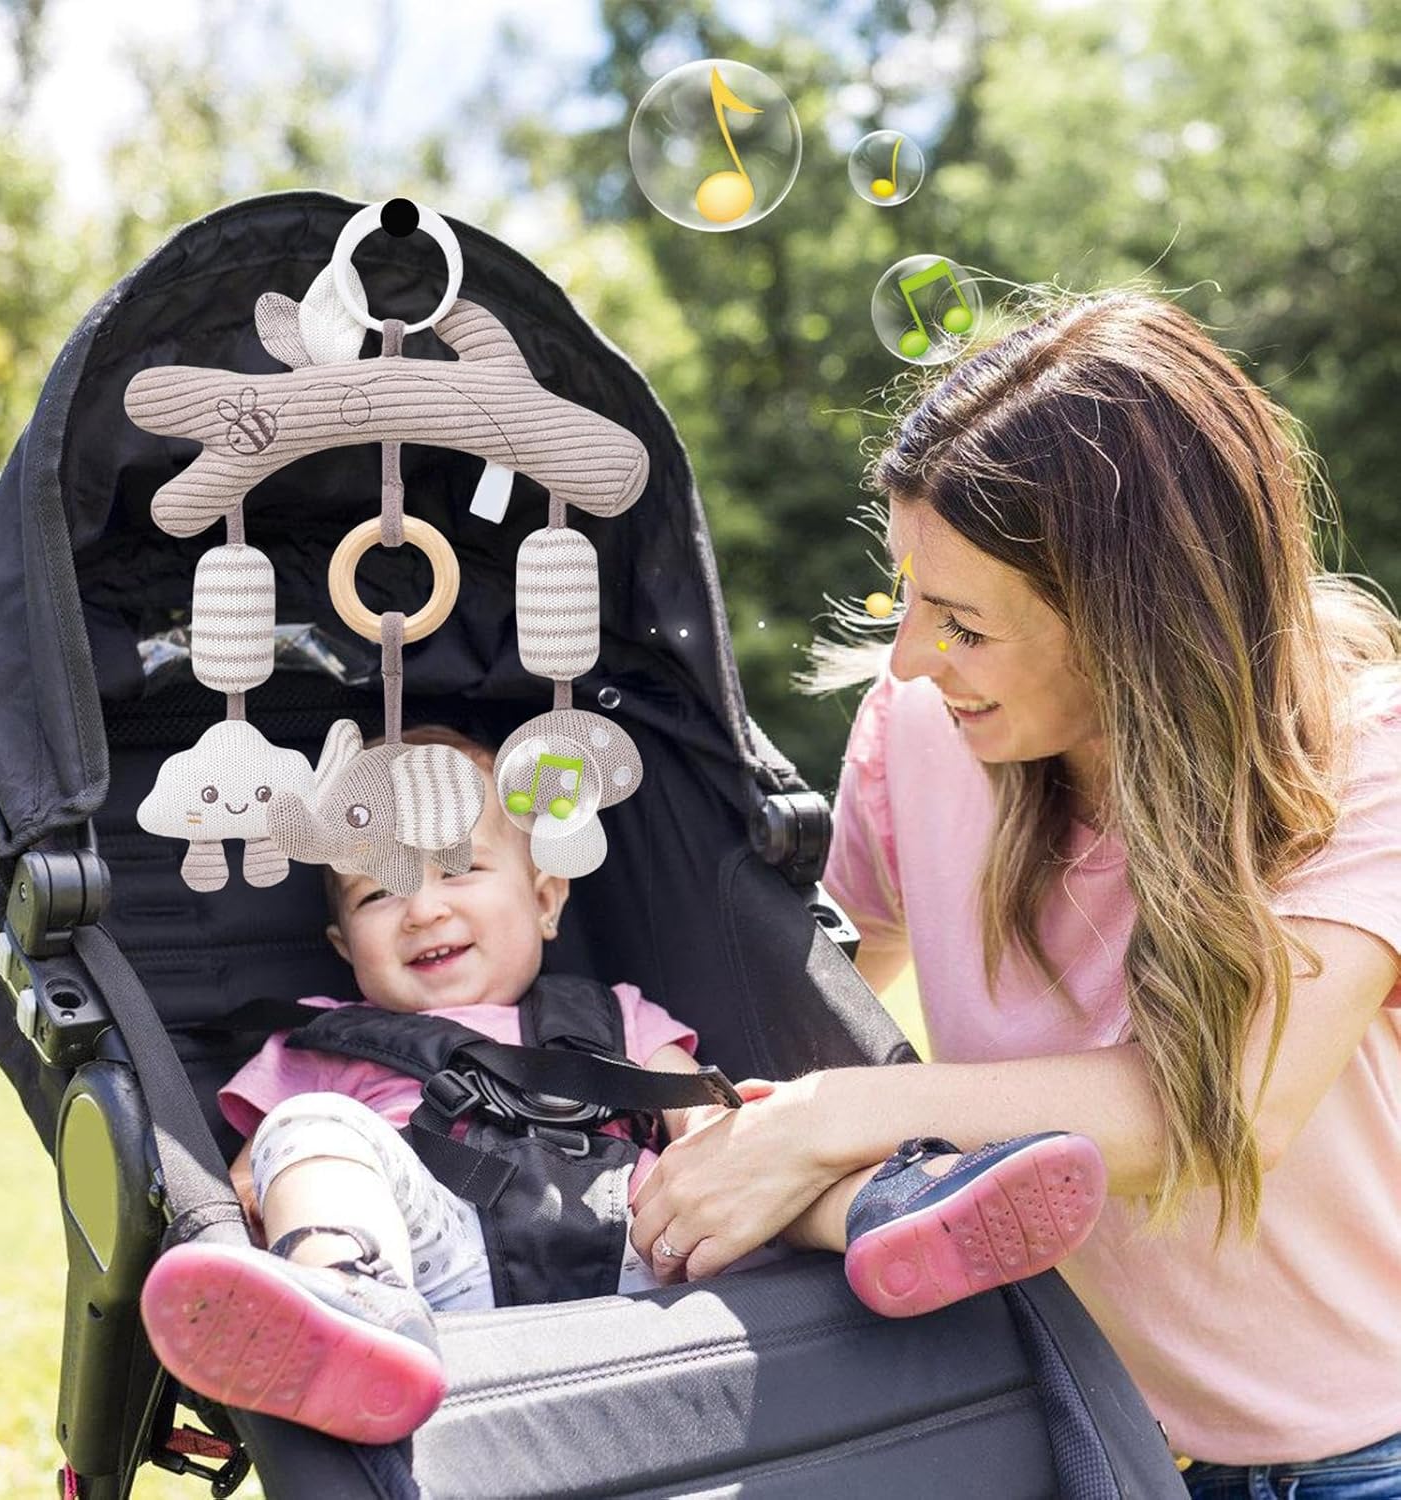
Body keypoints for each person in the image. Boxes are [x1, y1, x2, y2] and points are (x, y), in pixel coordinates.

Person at [627, 293, 1401, 1495]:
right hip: (1077, 1441)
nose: (908, 659)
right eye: (907, 597)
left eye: (962, 625)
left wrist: (833, 1115)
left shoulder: (1358, 753)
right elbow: (808, 998)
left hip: (1356, 1461)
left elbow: (1227, 1113)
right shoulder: (917, 730)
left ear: (1134, 625)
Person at [139, 726, 1104, 1446]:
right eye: (378, 891)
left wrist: (747, 1159)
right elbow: (257, 1174)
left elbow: (705, 1126)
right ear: (343, 946)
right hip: (431, 1268)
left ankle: (893, 1219)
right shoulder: (321, 1042)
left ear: (545, 898)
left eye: (457, 868)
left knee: (757, 1152)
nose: (422, 906)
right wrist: (268, 1207)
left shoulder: (615, 1016)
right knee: (312, 1126)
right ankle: (340, 1302)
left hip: (642, 1242)